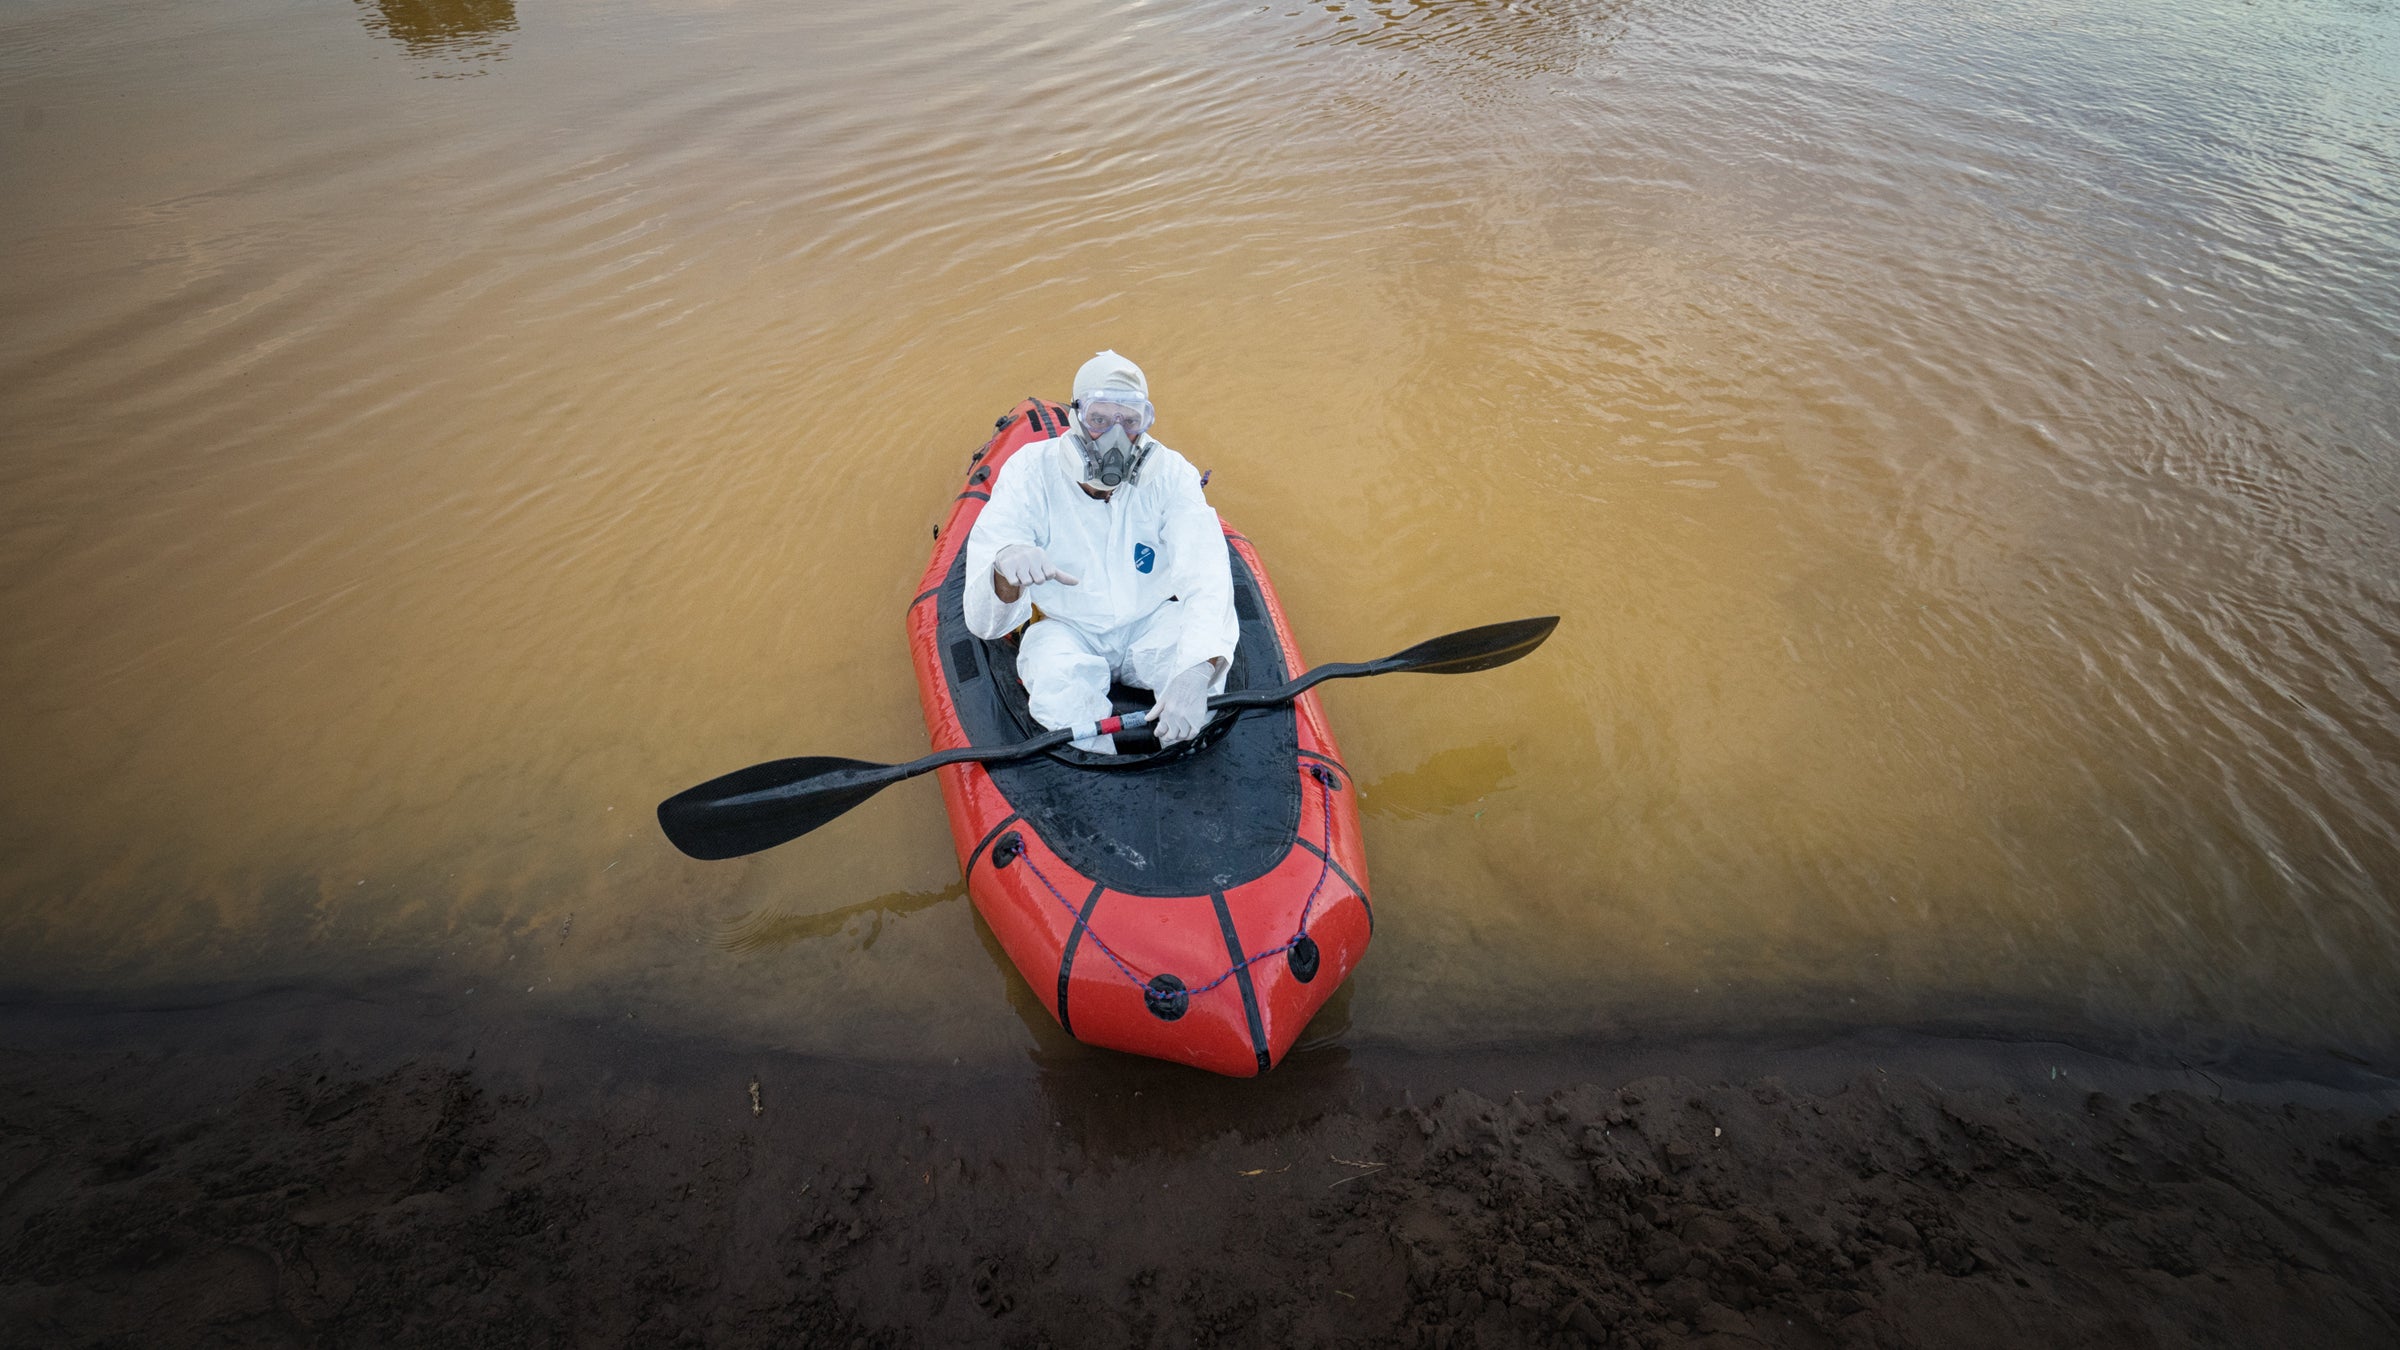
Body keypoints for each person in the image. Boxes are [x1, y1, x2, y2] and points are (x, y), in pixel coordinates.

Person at [964, 351, 1237, 754]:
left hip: (1151, 622)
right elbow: (984, 624)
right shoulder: (1030, 472)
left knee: (1204, 683)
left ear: (1145, 424)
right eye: (1099, 419)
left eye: (1130, 421)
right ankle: (1105, 775)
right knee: (1056, 683)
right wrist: (1005, 569)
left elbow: (1208, 576)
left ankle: (1183, 756)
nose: (1114, 436)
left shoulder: (1170, 476)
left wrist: (1196, 671)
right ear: (1076, 418)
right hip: (1066, 627)